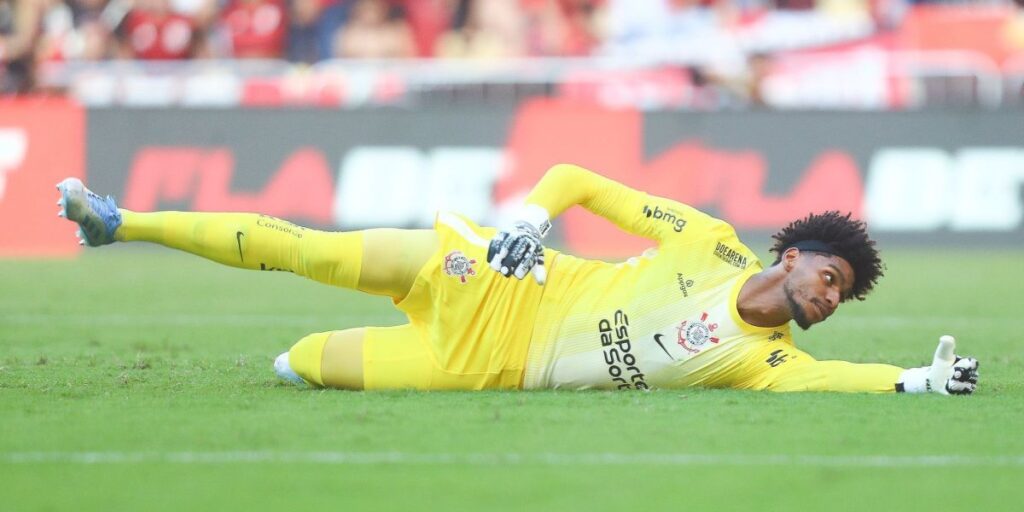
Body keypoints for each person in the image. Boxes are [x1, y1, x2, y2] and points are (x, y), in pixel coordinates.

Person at [56, 164, 979, 395]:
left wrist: (916, 380)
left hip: (478, 371)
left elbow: (840, 381)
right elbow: (579, 180)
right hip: (490, 281)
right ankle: (119, 221)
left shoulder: (761, 364)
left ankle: (127, 226)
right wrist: (533, 220)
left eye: (839, 296)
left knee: (296, 368)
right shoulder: (706, 243)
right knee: (308, 247)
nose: (826, 297)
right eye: (828, 276)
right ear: (793, 255)